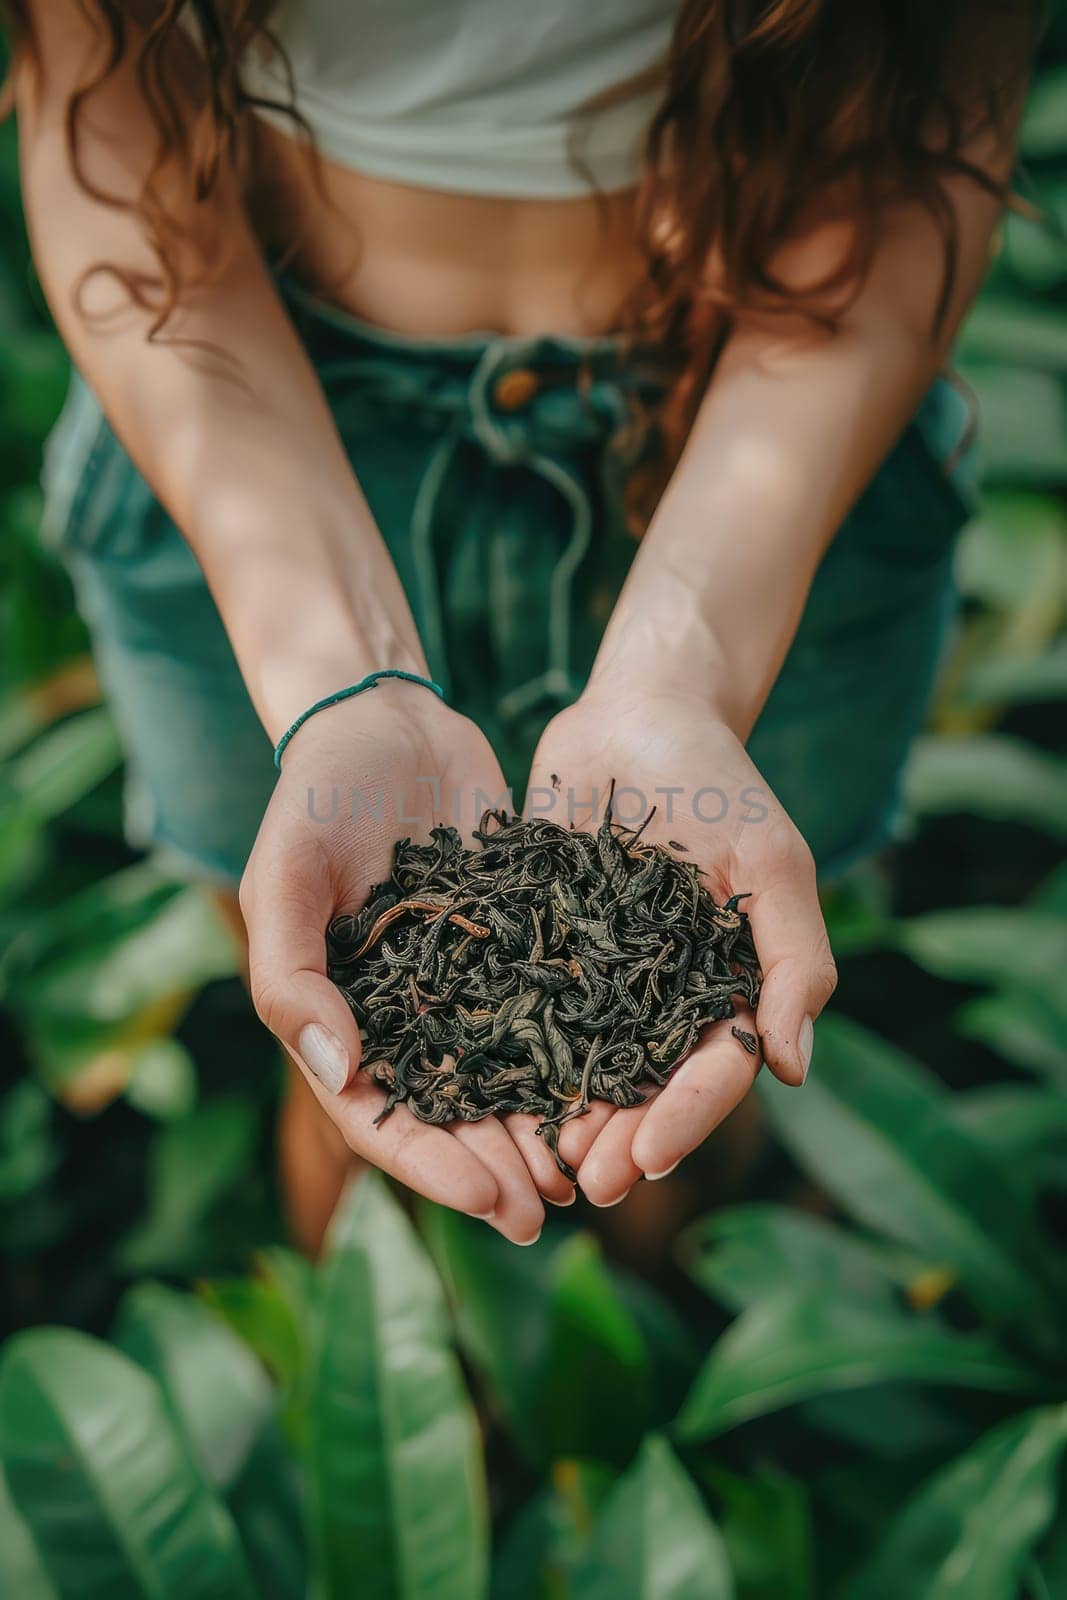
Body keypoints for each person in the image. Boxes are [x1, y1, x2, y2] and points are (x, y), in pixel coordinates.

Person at [8, 1, 1034, 1250]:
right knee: (333, 1012)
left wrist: (681, 680)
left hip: (768, 415)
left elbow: (928, 131)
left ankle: (631, 1399)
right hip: (238, 401)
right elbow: (101, 119)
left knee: (696, 1095)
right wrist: (339, 688)